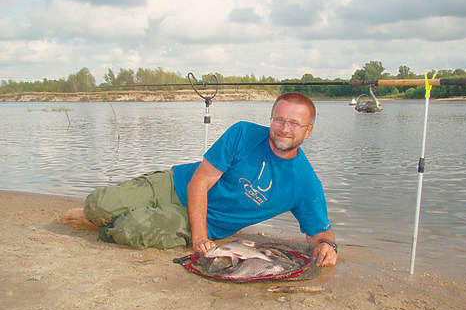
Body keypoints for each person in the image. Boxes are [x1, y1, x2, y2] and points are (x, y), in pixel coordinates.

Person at [58, 92, 337, 267]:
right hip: (176, 185)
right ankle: (96, 214)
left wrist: (328, 247)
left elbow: (320, 234)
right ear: (271, 118)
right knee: (96, 204)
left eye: (294, 124)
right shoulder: (243, 133)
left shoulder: (306, 184)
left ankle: (111, 222)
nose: (284, 129)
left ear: (308, 131)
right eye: (279, 120)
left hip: (203, 223)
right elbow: (199, 182)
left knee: (129, 228)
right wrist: (200, 239)